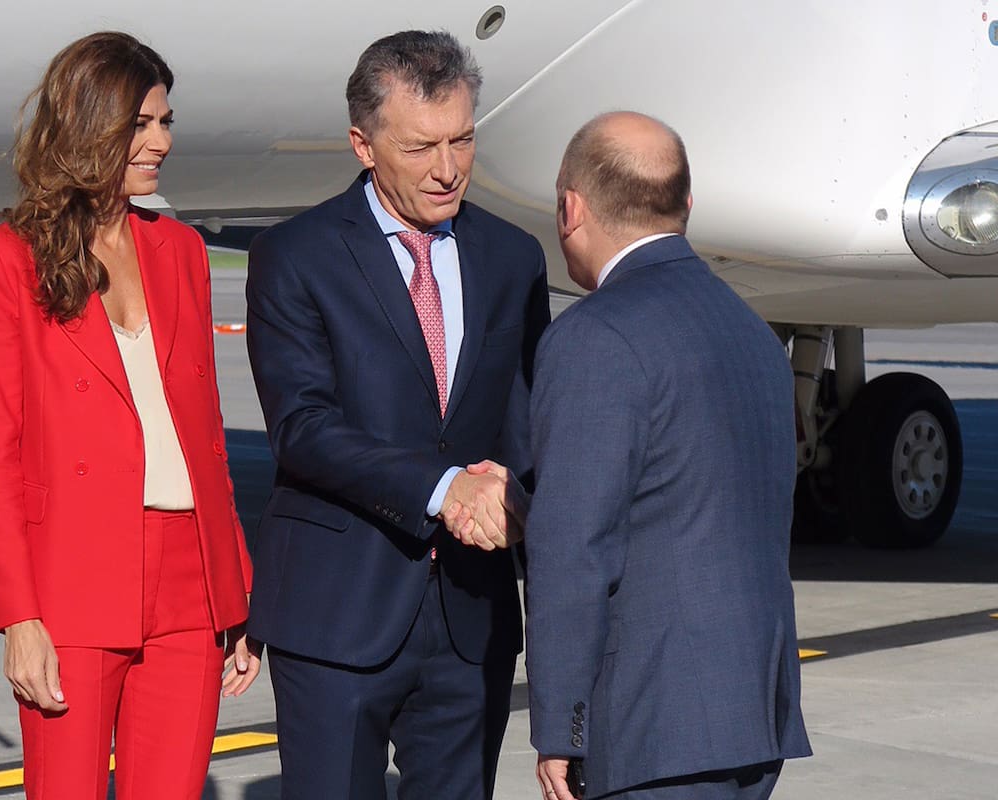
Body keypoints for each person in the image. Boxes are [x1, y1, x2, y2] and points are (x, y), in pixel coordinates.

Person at [0, 32, 258, 800]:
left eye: (165, 121)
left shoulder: (181, 249)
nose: (162, 142)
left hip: (190, 581)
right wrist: (19, 618)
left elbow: (205, 433)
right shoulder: (1, 259)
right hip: (73, 583)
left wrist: (235, 591)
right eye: (142, 124)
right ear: (90, 125)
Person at [244, 29, 550, 800]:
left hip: (471, 618)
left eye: (463, 139)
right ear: (363, 144)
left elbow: (526, 422)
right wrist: (444, 487)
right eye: (420, 147)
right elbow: (301, 426)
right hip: (337, 615)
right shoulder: (295, 254)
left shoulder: (514, 258)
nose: (448, 169)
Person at [523, 112, 812, 800]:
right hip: (749, 714)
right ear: (685, 204)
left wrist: (561, 727)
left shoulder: (594, 337)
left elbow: (575, 551)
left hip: (655, 723)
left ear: (571, 210)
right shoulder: (750, 330)